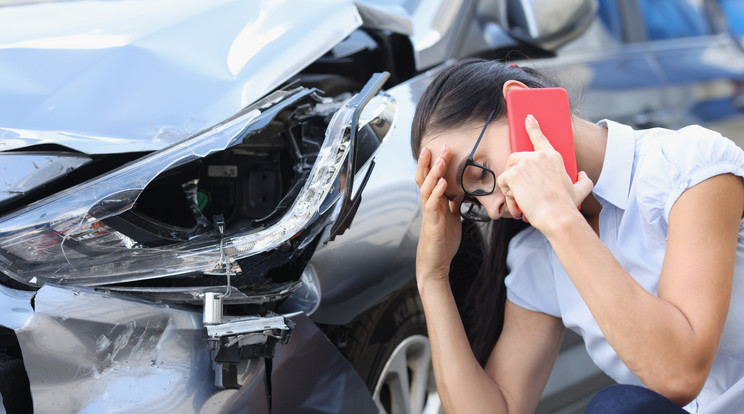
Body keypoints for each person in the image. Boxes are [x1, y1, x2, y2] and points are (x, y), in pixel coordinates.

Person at [412, 58, 744, 413]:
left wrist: (561, 218)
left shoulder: (687, 167)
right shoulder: (538, 252)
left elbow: (679, 374)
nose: (493, 209)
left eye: (477, 173)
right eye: (471, 202)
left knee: (617, 407)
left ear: (521, 103)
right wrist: (432, 279)